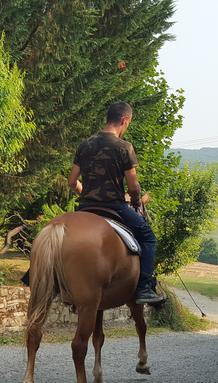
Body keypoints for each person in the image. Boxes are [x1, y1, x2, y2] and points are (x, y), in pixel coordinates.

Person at [69, 101, 165, 304]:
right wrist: (137, 201)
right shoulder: (124, 147)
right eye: (128, 124)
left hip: (85, 207)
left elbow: (71, 182)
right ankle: (144, 288)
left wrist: (85, 193)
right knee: (148, 238)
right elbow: (133, 185)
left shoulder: (85, 144)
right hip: (114, 207)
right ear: (124, 120)